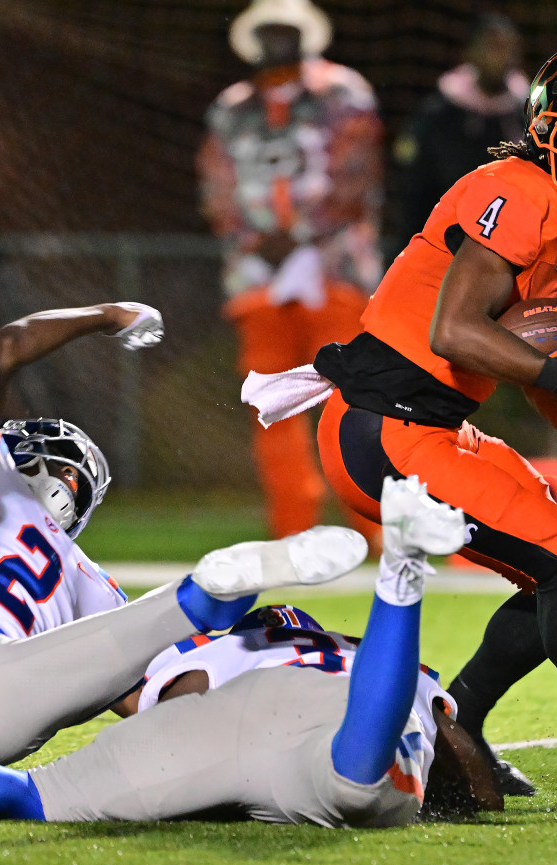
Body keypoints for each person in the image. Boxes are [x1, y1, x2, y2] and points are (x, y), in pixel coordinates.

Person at [246, 40, 557, 805]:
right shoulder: (519, 189)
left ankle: (455, 730)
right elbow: (456, 331)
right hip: (383, 420)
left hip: (430, 424)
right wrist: (552, 367)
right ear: (551, 129)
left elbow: (546, 382)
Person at [0, 140, 367, 767]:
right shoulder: (85, 575)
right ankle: (205, 594)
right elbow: (148, 693)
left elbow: (2, 350)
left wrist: (109, 314)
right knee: (143, 632)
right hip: (0, 716)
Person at [0, 476, 506, 829]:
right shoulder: (374, 665)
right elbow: (473, 775)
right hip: (337, 704)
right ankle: (401, 570)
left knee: (24, 794)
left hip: (203, 713)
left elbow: (151, 694)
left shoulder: (186, 652)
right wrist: (480, 777)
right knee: (354, 778)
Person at [196, 0, 383, 546]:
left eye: (288, 30)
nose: (278, 41)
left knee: (353, 398)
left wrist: (300, 233)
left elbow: (359, 170)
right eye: (268, 31)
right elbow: (215, 186)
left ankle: (370, 526)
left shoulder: (343, 93)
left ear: (306, 35)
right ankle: (292, 531)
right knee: (271, 404)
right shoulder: (231, 109)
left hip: (334, 268)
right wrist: (259, 241)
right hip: (259, 277)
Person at [392, 14, 528, 254]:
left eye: (506, 47)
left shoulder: (525, 115)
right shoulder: (438, 114)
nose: (499, 55)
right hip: (441, 241)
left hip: (507, 245)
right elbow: (413, 187)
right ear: (471, 52)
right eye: (492, 46)